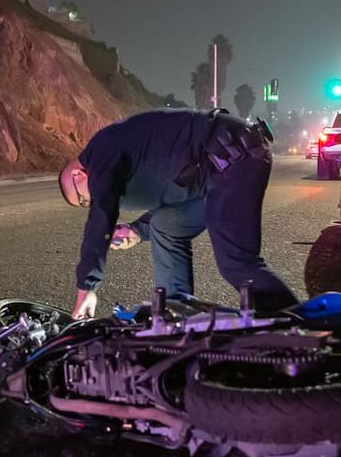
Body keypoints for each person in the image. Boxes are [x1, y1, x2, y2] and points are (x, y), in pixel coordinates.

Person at [58, 107, 299, 319]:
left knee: (236, 262)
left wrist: (86, 288)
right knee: (164, 224)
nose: (87, 202)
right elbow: (174, 193)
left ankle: (300, 325)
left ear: (77, 175)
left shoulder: (102, 150)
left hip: (235, 156)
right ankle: (177, 316)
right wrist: (137, 231)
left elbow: (102, 215)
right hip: (212, 173)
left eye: (81, 200)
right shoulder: (121, 157)